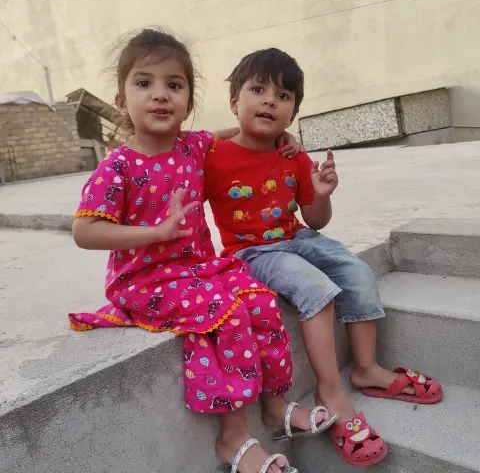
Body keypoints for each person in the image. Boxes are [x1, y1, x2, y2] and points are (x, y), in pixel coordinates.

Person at [68, 28, 335, 473]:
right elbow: (84, 231)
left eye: (174, 85)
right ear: (121, 101)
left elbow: (235, 131)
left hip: (199, 268)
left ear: (188, 103)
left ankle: (275, 407)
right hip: (145, 280)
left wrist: (281, 138)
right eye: (144, 83)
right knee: (227, 313)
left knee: (260, 300)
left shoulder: (192, 146)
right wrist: (155, 232)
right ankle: (233, 437)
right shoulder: (118, 166)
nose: (160, 95)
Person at [205, 48, 443, 467]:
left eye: (282, 96)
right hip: (251, 251)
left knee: (356, 271)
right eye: (258, 91)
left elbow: (316, 219)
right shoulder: (214, 155)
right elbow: (182, 145)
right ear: (234, 101)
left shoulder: (292, 155)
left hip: (299, 237)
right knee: (316, 289)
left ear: (293, 113)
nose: (269, 101)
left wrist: (321, 193)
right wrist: (231, 131)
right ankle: (330, 392)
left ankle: (366, 368)